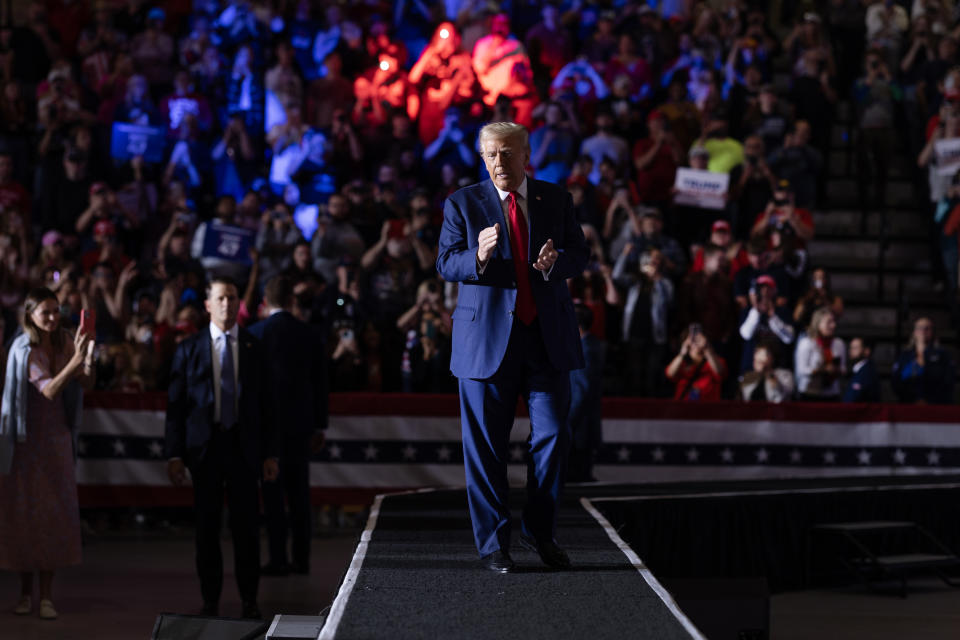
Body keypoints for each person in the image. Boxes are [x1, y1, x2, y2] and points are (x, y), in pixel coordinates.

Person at [436, 121, 588, 573]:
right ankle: (493, 546)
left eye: (506, 153)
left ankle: (540, 532)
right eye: (490, 154)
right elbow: (446, 261)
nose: (498, 162)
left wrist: (557, 261)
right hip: (484, 344)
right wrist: (478, 256)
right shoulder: (462, 203)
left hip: (546, 340)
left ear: (526, 156)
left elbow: (581, 254)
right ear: (482, 158)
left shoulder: (556, 199)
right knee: (486, 449)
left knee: (556, 434)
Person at [165, 277, 278, 619]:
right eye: (220, 298)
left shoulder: (255, 347)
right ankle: (210, 600)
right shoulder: (188, 348)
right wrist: (174, 454)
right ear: (208, 305)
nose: (227, 304)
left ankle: (249, 599)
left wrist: (270, 453)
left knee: (246, 529)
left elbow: (267, 405)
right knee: (207, 529)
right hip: (205, 451)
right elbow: (176, 407)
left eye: (231, 297)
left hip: (244, 450)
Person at [0, 288, 95, 620]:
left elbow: (86, 382)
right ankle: (26, 593)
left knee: (54, 514)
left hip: (57, 439)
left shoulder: (64, 341)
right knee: (25, 514)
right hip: (25, 441)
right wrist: (75, 359)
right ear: (30, 315)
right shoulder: (24, 348)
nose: (54, 318)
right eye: (46, 312)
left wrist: (88, 357)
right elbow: (51, 389)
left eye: (57, 311)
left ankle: (47, 595)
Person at [248, 275, 327, 577]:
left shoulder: (254, 334)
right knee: (299, 496)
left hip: (266, 428)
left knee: (271, 495)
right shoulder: (308, 334)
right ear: (292, 300)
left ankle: (278, 559)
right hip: (300, 427)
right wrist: (320, 426)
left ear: (265, 302)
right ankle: (302, 559)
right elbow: (320, 384)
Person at [566, 304, 605, 483]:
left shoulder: (587, 349)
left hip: (580, 426)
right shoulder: (585, 346)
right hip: (579, 427)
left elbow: (582, 389)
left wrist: (568, 421)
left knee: (577, 481)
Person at [891, 316, 956, 404]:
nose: (923, 331)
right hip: (908, 404)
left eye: (927, 328)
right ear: (914, 332)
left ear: (933, 332)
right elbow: (896, 382)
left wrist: (930, 400)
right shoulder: (904, 356)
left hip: (936, 405)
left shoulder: (943, 355)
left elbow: (948, 381)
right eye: (919, 328)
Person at [794, 307, 846, 401]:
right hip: (810, 393)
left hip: (832, 394)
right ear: (818, 324)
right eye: (829, 322)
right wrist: (822, 370)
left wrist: (837, 370)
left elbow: (843, 367)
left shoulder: (839, 343)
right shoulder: (807, 342)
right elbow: (801, 370)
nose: (833, 325)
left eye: (834, 322)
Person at [665, 325, 727, 401]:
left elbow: (720, 371)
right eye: (692, 339)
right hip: (683, 408)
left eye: (698, 339)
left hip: (708, 408)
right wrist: (682, 353)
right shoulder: (682, 362)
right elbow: (670, 374)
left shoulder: (715, 360)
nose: (695, 342)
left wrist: (707, 349)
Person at [843, 337, 882, 403]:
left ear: (867, 351)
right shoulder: (859, 370)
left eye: (855, 348)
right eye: (851, 347)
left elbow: (853, 398)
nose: (851, 351)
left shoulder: (868, 372)